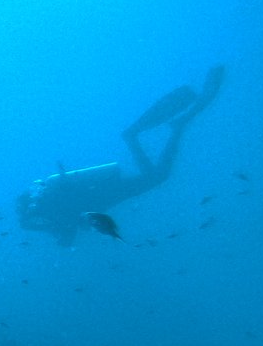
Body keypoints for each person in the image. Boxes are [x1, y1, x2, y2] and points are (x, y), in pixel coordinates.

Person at [16, 64, 225, 245]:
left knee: (157, 177)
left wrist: (35, 228)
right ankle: (169, 128)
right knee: (157, 177)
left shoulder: (52, 211)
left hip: (107, 191)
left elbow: (67, 233)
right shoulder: (51, 208)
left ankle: (147, 133)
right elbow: (71, 227)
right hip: (107, 192)